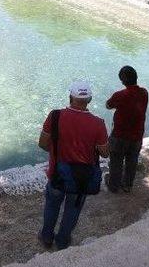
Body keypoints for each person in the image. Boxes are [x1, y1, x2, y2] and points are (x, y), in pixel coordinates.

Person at [38, 81, 109, 250]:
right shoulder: (98, 123)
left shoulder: (55, 116)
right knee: (72, 209)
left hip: (57, 173)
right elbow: (105, 153)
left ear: (70, 97)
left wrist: (57, 151)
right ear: (89, 99)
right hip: (82, 178)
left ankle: (46, 237)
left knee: (52, 205)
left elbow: (42, 143)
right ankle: (62, 241)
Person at [105, 66, 149, 193]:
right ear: (136, 78)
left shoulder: (120, 95)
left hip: (120, 135)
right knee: (132, 160)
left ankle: (113, 186)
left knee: (116, 161)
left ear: (123, 81)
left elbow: (108, 105)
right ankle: (127, 185)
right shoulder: (144, 93)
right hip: (137, 135)